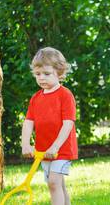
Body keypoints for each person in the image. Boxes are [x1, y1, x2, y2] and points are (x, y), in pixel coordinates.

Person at [21, 47, 78, 205]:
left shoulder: (65, 95)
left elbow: (68, 124)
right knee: (57, 184)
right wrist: (25, 144)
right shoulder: (36, 98)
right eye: (38, 74)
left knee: (53, 182)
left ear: (59, 73)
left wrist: (55, 146)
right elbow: (28, 122)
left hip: (62, 149)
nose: (41, 78)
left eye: (46, 74)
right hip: (43, 150)